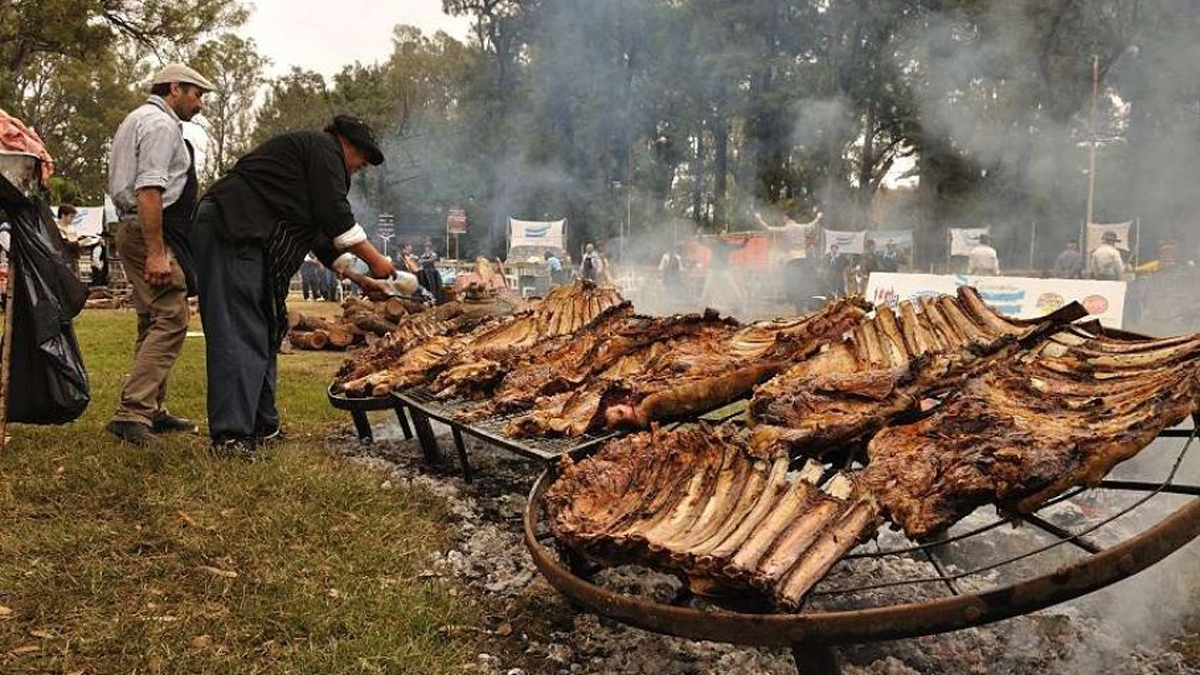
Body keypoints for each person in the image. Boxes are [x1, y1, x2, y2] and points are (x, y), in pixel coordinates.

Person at [192, 114, 396, 458]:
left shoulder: (312, 166)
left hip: (250, 239)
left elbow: (321, 237)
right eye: (361, 159)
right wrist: (377, 260)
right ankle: (231, 436)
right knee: (239, 330)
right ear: (346, 142)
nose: (360, 167)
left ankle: (262, 426)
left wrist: (361, 278)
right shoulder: (323, 151)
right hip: (232, 230)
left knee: (266, 328)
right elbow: (336, 216)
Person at [105, 63, 212, 445]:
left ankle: (149, 409)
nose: (200, 104)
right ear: (174, 88)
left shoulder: (138, 119)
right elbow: (149, 190)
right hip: (147, 230)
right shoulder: (161, 125)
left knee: (151, 319)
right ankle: (133, 412)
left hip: (137, 227)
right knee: (172, 315)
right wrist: (156, 252)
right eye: (197, 94)